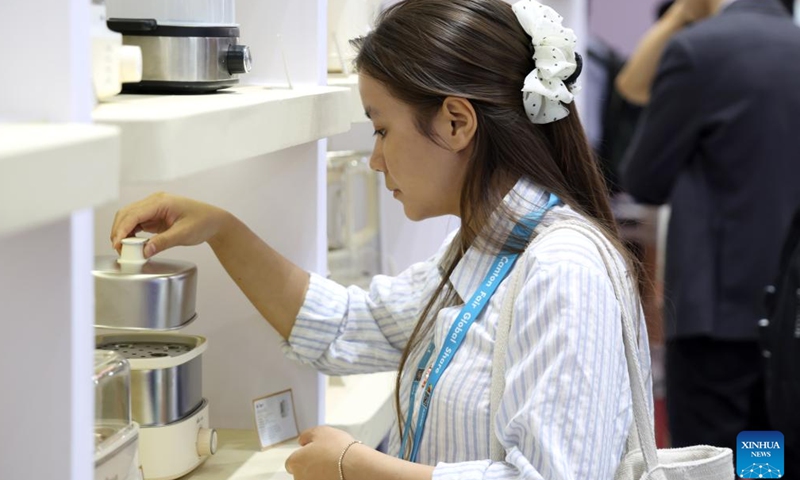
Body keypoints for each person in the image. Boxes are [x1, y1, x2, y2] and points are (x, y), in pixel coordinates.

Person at [111, 1, 652, 479]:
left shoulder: (563, 269)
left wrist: (357, 467)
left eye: (381, 129)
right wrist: (221, 229)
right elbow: (349, 323)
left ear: (457, 123)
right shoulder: (484, 251)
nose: (374, 159)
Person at [616, 0, 800, 453]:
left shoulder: (699, 50)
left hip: (716, 312)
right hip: (789, 311)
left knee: (712, 459)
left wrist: (680, 19)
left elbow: (643, 178)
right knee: (769, 449)